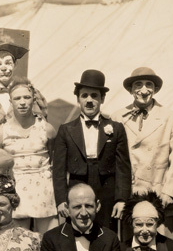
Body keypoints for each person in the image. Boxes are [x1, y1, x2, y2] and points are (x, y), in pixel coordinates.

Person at [52, 70, 130, 231]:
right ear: (78, 98)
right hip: (76, 188)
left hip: (106, 190)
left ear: (102, 99)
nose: (89, 100)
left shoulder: (116, 128)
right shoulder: (66, 130)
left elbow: (123, 168)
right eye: (84, 95)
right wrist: (61, 200)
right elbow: (58, 170)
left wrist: (121, 199)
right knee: (77, 233)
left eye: (94, 96)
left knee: (107, 234)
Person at [119, 67, 173, 237]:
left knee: (162, 249)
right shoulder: (117, 117)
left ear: (155, 90)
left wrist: (169, 192)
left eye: (149, 85)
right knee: (130, 248)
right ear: (130, 89)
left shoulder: (171, 118)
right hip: (130, 197)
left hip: (159, 196)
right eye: (138, 85)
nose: (143, 90)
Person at [0, 79, 57, 232]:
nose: (22, 102)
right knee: (18, 243)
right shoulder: (0, 133)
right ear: (11, 101)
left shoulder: (47, 129)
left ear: (34, 99)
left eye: (26, 97)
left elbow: (55, 162)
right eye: (17, 98)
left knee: (48, 241)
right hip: (16, 191)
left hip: (44, 190)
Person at [0, 40, 48, 124]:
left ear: (15, 64)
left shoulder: (31, 92)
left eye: (8, 63)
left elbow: (42, 125)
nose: (3, 68)